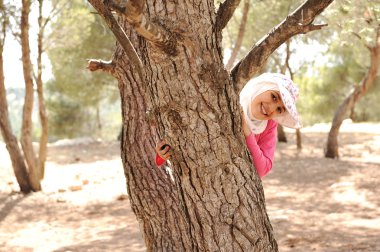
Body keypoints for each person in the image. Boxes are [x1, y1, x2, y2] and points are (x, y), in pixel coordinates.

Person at [155, 73, 302, 178]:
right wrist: (162, 155)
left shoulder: (269, 125)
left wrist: (247, 133)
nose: (271, 109)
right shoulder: (225, 100)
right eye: (274, 97)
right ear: (262, 87)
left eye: (279, 109)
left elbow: (262, 170)